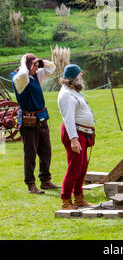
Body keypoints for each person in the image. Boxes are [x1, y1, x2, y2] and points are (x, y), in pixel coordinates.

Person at [11, 53, 60, 194]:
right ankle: (30, 185)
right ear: (25, 66)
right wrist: (24, 61)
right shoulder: (18, 79)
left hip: (42, 118)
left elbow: (51, 67)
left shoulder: (35, 76)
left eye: (38, 66)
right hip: (29, 122)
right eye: (34, 65)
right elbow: (23, 75)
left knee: (46, 152)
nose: (37, 68)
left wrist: (37, 61)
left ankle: (45, 180)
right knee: (30, 154)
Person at [57, 64, 96, 210]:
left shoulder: (73, 91)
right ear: (73, 78)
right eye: (80, 75)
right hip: (74, 133)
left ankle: (78, 198)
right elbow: (68, 118)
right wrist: (74, 139)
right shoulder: (67, 95)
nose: (82, 77)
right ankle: (65, 200)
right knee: (75, 168)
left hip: (82, 133)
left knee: (82, 167)